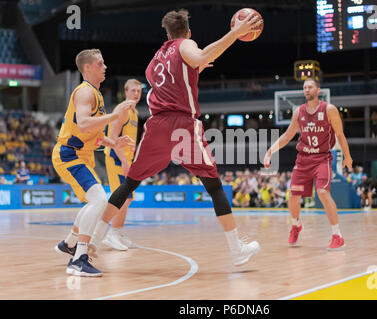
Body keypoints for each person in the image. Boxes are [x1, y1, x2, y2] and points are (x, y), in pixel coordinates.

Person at [89, 9, 262, 267]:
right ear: (188, 32)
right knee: (214, 186)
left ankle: (94, 240)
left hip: (157, 125)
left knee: (129, 184)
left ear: (166, 33)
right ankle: (236, 249)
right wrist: (235, 34)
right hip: (182, 125)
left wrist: (194, 70)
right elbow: (200, 55)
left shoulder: (155, 60)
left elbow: (170, 81)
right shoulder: (186, 44)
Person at [52, 49, 136, 276]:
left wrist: (114, 143)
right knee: (99, 200)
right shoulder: (84, 92)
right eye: (100, 63)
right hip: (69, 155)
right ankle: (79, 259)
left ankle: (69, 244)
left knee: (94, 201)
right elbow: (83, 124)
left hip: (81, 156)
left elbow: (95, 134)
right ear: (87, 67)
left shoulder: (96, 95)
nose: (105, 66)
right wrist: (114, 116)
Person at [264, 77, 353, 250]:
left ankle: (337, 235)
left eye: (310, 87)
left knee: (323, 192)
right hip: (303, 159)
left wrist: (347, 157)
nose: (306, 90)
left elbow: (340, 135)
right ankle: (296, 225)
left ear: (318, 90)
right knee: (293, 196)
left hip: (322, 158)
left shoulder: (329, 109)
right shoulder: (299, 111)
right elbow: (288, 135)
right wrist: (270, 151)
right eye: (304, 87)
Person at [102, 79, 142, 251]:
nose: (136, 94)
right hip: (116, 158)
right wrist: (124, 161)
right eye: (133, 90)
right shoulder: (123, 110)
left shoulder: (135, 112)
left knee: (129, 198)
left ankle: (117, 232)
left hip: (127, 159)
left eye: (139, 91)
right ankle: (111, 234)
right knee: (122, 198)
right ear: (125, 92)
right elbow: (112, 137)